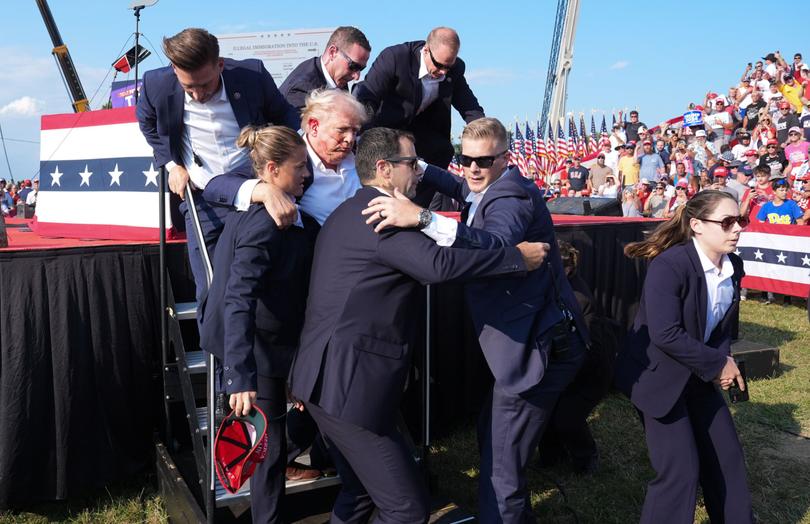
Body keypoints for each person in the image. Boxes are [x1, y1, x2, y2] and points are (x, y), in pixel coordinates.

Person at [288, 126, 548, 523]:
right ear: (384, 169)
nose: (419, 172)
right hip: (349, 389)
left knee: (360, 493)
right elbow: (439, 265)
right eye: (412, 164)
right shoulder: (381, 217)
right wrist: (516, 258)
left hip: (326, 381)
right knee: (406, 509)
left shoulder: (347, 210)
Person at [361, 117, 588, 523]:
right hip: (529, 338)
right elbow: (459, 187)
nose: (473, 169)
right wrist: (414, 163)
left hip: (540, 343)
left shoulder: (509, 198)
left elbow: (498, 244)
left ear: (505, 159)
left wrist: (422, 217)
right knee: (496, 435)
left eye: (483, 160)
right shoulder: (483, 183)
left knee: (503, 463)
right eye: (465, 159)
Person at [615, 190, 753, 524]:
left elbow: (720, 330)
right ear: (697, 226)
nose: (737, 229)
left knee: (728, 459)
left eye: (741, 221)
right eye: (727, 222)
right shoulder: (669, 265)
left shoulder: (733, 265)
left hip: (698, 376)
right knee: (681, 471)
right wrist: (718, 363)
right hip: (656, 379)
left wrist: (721, 360)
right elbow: (665, 333)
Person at [136, 27, 300, 302]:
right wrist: (172, 165)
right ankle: (215, 344)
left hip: (254, 191)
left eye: (205, 85)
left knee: (262, 280)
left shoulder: (252, 76)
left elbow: (285, 115)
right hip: (202, 201)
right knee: (212, 290)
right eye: (189, 87)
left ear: (220, 65)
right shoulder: (156, 85)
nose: (198, 95)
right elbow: (147, 124)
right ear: (175, 70)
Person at [199, 125, 311, 523]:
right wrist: (240, 376)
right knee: (270, 447)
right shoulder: (265, 223)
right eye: (299, 167)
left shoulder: (276, 206)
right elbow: (238, 300)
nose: (306, 174)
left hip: (274, 339)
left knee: (286, 434)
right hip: (254, 345)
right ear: (271, 169)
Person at [353, 27, 484, 174]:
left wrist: (485, 133)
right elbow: (368, 97)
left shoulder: (454, 70)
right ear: (426, 50)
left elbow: (469, 106)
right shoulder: (394, 57)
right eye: (439, 65)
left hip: (420, 134)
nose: (443, 72)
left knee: (443, 150)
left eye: (448, 66)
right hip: (386, 129)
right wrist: (366, 139)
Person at [279, 27, 371, 110]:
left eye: (361, 69)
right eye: (353, 66)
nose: (356, 76)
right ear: (332, 52)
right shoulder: (301, 89)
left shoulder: (338, 80)